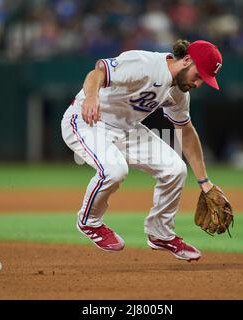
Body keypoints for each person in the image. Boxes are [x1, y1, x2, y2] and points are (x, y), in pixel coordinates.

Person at [61, 39, 228, 261]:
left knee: (175, 169)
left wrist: (204, 182)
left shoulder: (179, 93)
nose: (198, 83)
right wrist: (91, 97)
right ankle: (89, 221)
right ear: (187, 60)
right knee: (114, 170)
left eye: (204, 80)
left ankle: (160, 233)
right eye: (198, 76)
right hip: (87, 121)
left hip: (127, 129)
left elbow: (186, 132)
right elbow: (98, 71)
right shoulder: (145, 63)